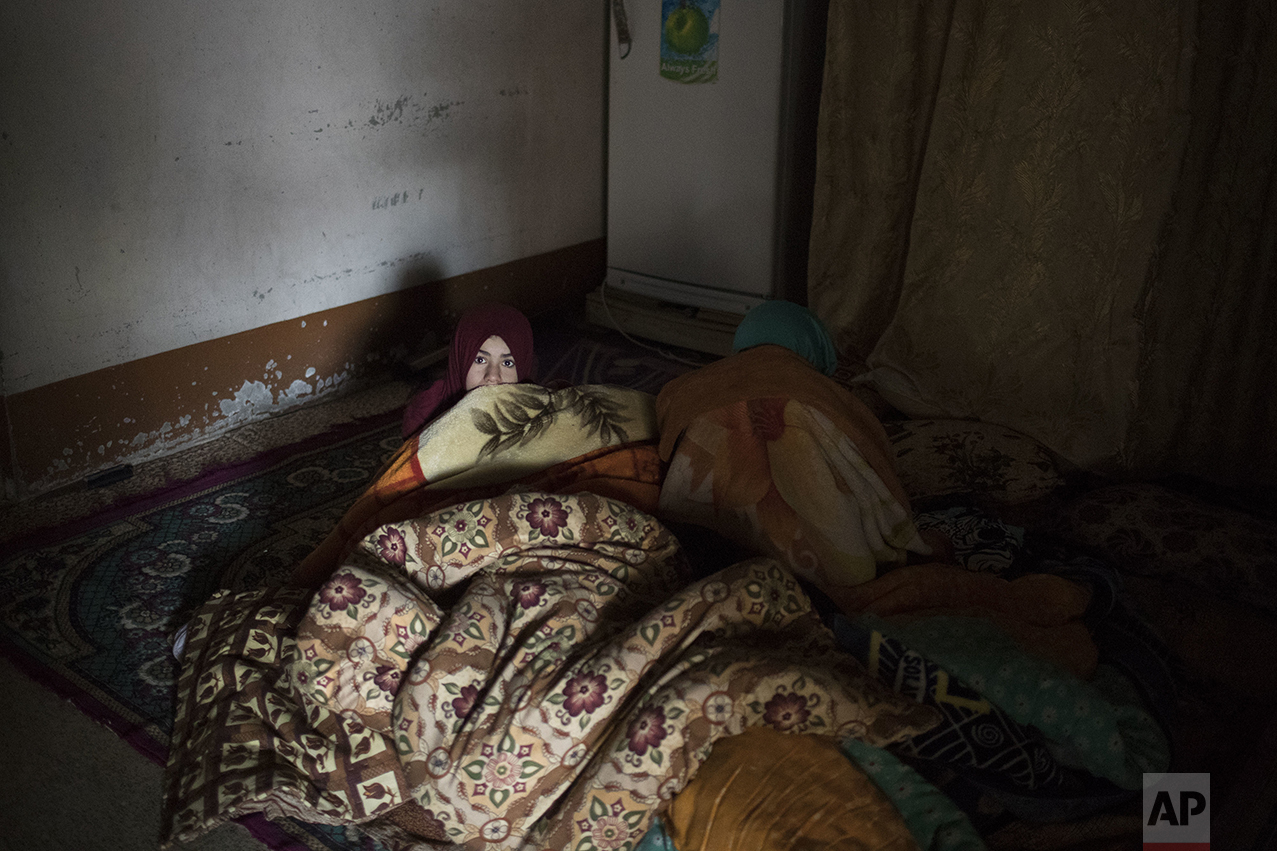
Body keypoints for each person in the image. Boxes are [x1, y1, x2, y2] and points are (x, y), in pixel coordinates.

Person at [401, 303, 538, 439]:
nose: (493, 376)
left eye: (507, 363)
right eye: (480, 360)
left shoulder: (538, 420)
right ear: (460, 361)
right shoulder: (425, 416)